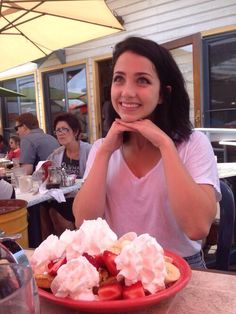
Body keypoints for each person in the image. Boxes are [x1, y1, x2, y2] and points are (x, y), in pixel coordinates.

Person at [73, 36, 221, 268]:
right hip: (118, 266)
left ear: (163, 93)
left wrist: (165, 145)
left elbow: (197, 227)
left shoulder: (193, 144)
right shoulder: (102, 148)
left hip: (180, 266)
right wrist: (104, 153)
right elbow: (84, 222)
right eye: (119, 79)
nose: (127, 92)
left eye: (142, 80)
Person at [41, 112, 91, 236]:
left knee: (54, 208)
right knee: (42, 206)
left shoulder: (89, 150)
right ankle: (49, 243)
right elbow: (46, 173)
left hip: (83, 197)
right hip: (64, 197)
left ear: (75, 132)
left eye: (65, 129)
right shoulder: (56, 154)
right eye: (58, 130)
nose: (61, 133)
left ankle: (69, 238)